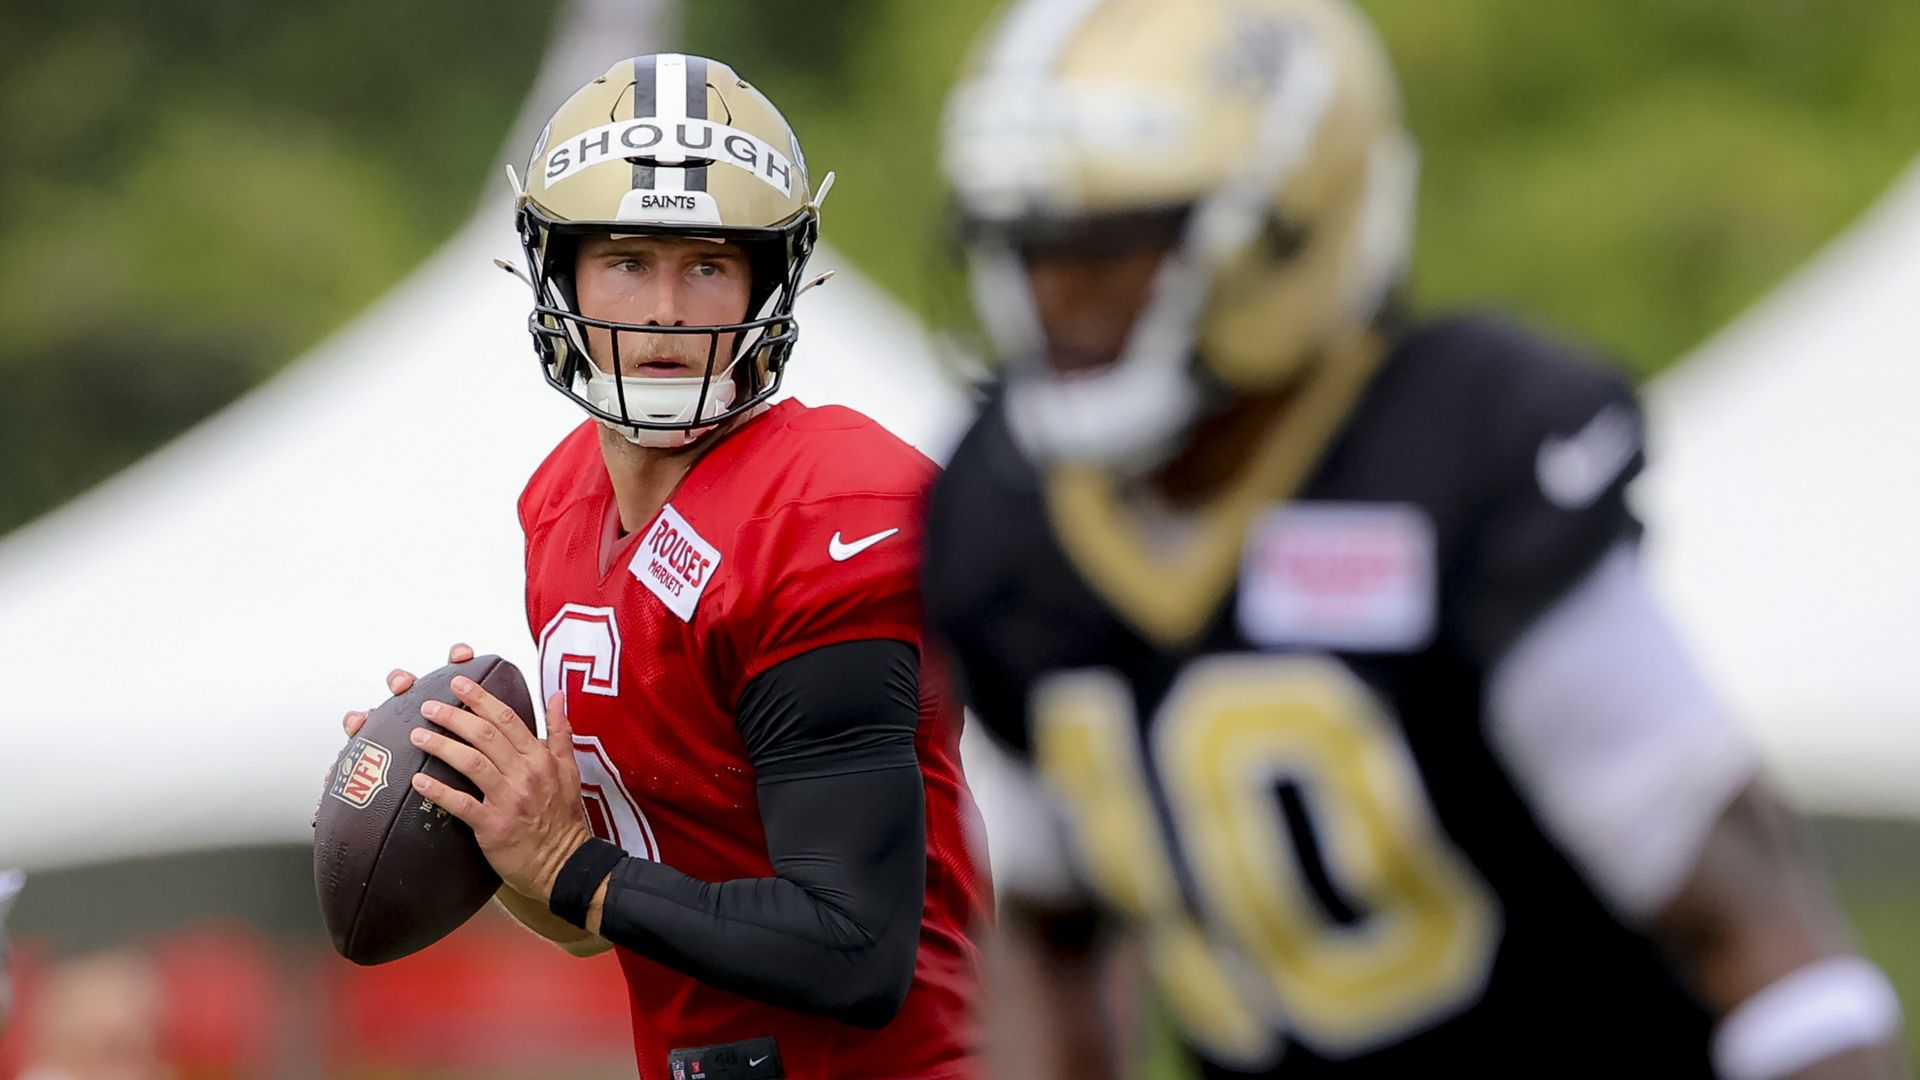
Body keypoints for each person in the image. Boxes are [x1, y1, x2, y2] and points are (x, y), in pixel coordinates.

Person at [923, 2, 1907, 1078]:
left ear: (1290, 223)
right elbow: (1047, 927)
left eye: (1108, 246)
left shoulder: (1461, 451)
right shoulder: (1007, 515)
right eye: (1026, 247)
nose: (1053, 295)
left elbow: (1758, 936)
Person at [342, 54, 988, 1080]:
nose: (668, 309)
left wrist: (571, 866)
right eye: (628, 259)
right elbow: (606, 916)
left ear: (768, 281)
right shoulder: (558, 507)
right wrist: (498, 824)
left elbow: (853, 946)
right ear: (558, 273)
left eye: (706, 264)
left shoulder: (827, 509)